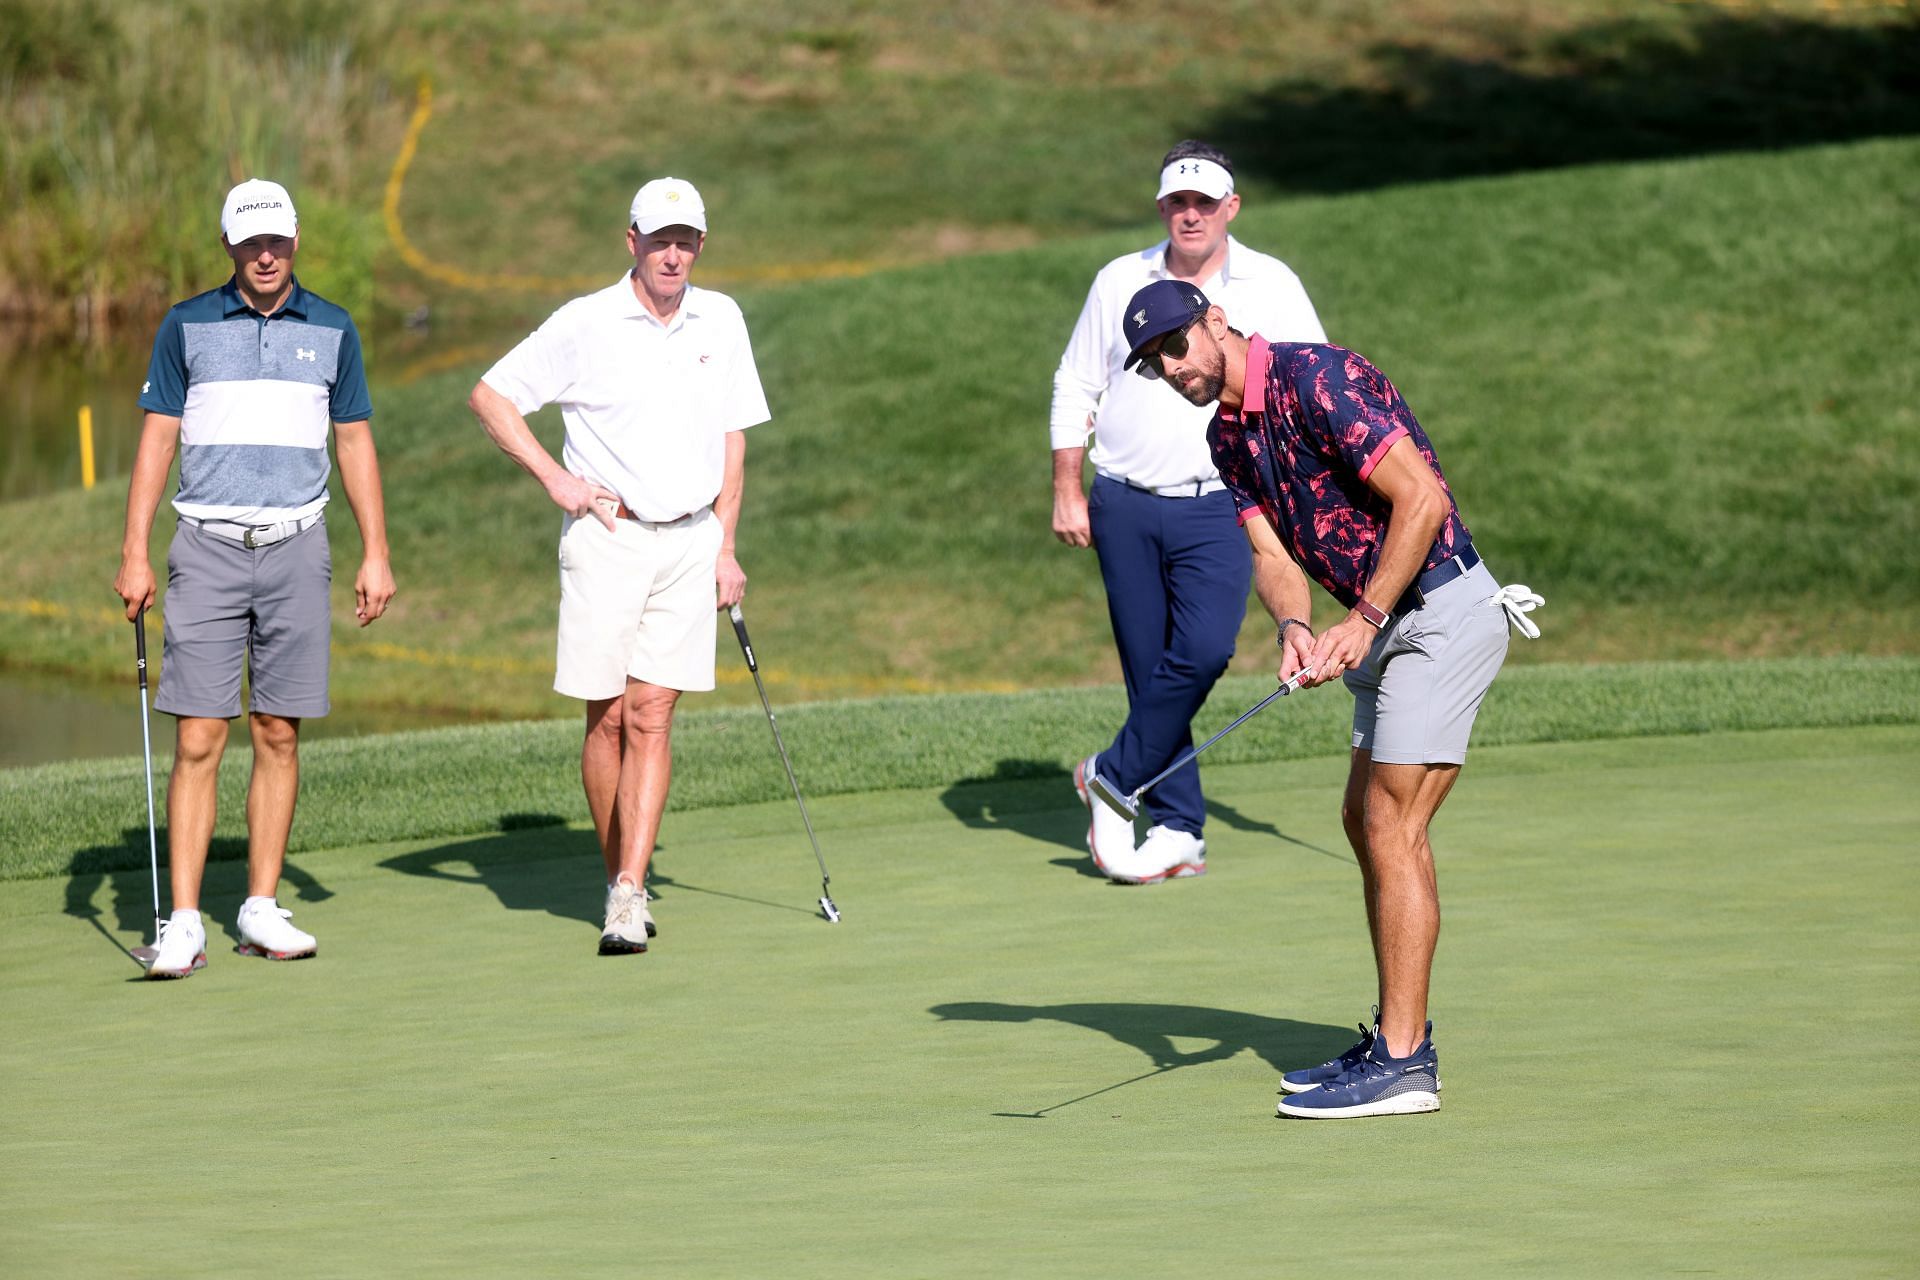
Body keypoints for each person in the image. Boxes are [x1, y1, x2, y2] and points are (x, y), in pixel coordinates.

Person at [1119, 279, 1542, 1118]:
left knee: (1393, 822)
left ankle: (1405, 1060)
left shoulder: (1319, 379)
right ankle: (1394, 1034)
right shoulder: (1226, 439)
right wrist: (1294, 629)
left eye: (1175, 346)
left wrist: (1365, 615)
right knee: (1364, 820)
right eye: (1153, 361)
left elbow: (1421, 500)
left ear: (1214, 320)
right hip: (1382, 626)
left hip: (1440, 611)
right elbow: (1274, 557)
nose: (1170, 368)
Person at [468, 177, 769, 957]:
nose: (674, 254)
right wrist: (555, 479)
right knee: (605, 716)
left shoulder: (722, 319)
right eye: (660, 239)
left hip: (691, 538)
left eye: (687, 240)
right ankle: (620, 881)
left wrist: (727, 545)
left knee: (653, 713)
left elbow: (735, 436)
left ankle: (630, 888)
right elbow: (492, 396)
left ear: (701, 244)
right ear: (629, 240)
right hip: (609, 538)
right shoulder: (586, 323)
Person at [114, 178, 395, 980]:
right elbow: (157, 439)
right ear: (230, 245)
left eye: (276, 241)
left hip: (297, 547)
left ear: (295, 241)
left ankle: (261, 907)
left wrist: (376, 550)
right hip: (205, 544)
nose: (264, 255)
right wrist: (135, 549)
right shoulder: (187, 324)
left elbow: (354, 444)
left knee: (279, 730)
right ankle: (187, 920)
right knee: (200, 734)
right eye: (250, 242)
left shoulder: (334, 328)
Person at [1051, 141, 1327, 885]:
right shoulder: (1119, 280)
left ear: (1231, 207)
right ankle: (1177, 826)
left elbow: (1314, 380)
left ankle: (1112, 771)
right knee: (1149, 670)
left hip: (1226, 504)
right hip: (1123, 502)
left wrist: (1301, 492)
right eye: (1178, 202)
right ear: (1163, 209)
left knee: (1203, 652)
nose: (1191, 214)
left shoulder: (1271, 283)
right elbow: (1076, 383)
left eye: (1205, 202)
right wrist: (1067, 487)